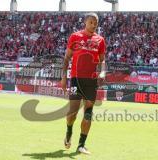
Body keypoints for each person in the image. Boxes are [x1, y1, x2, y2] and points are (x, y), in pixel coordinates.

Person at [61, 12, 106, 155]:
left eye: (96, 23)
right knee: (72, 113)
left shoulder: (100, 40)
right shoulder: (75, 36)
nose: (93, 25)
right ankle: (69, 132)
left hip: (91, 81)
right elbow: (67, 58)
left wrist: (103, 72)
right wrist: (63, 78)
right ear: (85, 22)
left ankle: (81, 144)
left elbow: (102, 60)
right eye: (91, 22)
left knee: (88, 113)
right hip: (76, 79)